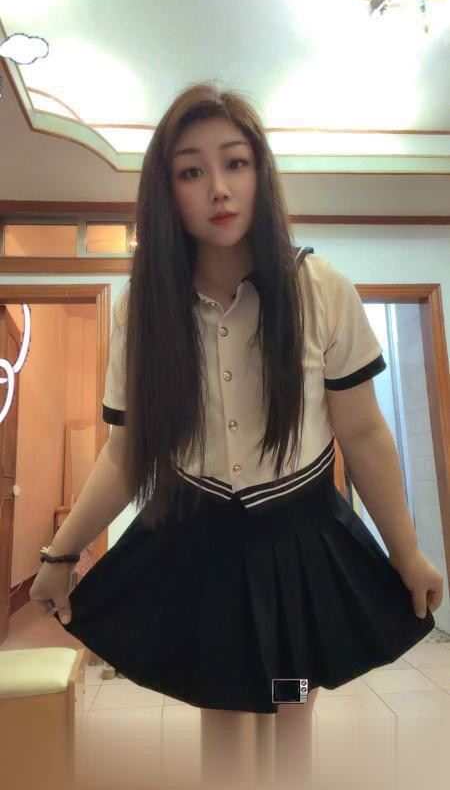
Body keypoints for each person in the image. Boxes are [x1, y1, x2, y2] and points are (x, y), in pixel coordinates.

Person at [30, 82, 442, 790]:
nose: (218, 187)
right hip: (198, 537)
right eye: (191, 171)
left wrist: (407, 554)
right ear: (168, 192)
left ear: (260, 174)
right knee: (220, 710)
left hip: (300, 537)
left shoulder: (320, 288)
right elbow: (127, 452)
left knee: (292, 702)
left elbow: (365, 433)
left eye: (236, 162)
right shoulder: (140, 310)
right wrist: (59, 555)